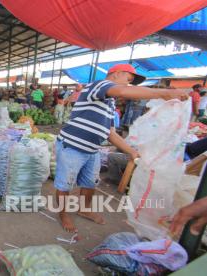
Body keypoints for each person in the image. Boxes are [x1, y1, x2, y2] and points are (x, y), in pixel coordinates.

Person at [55, 63, 189, 233]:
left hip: (92, 149)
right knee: (65, 184)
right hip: (72, 146)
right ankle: (63, 214)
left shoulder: (110, 103)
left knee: (90, 183)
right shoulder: (98, 85)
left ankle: (84, 208)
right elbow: (123, 91)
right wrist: (165, 93)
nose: (129, 84)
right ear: (117, 74)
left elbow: (110, 133)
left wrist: (132, 152)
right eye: (129, 79)